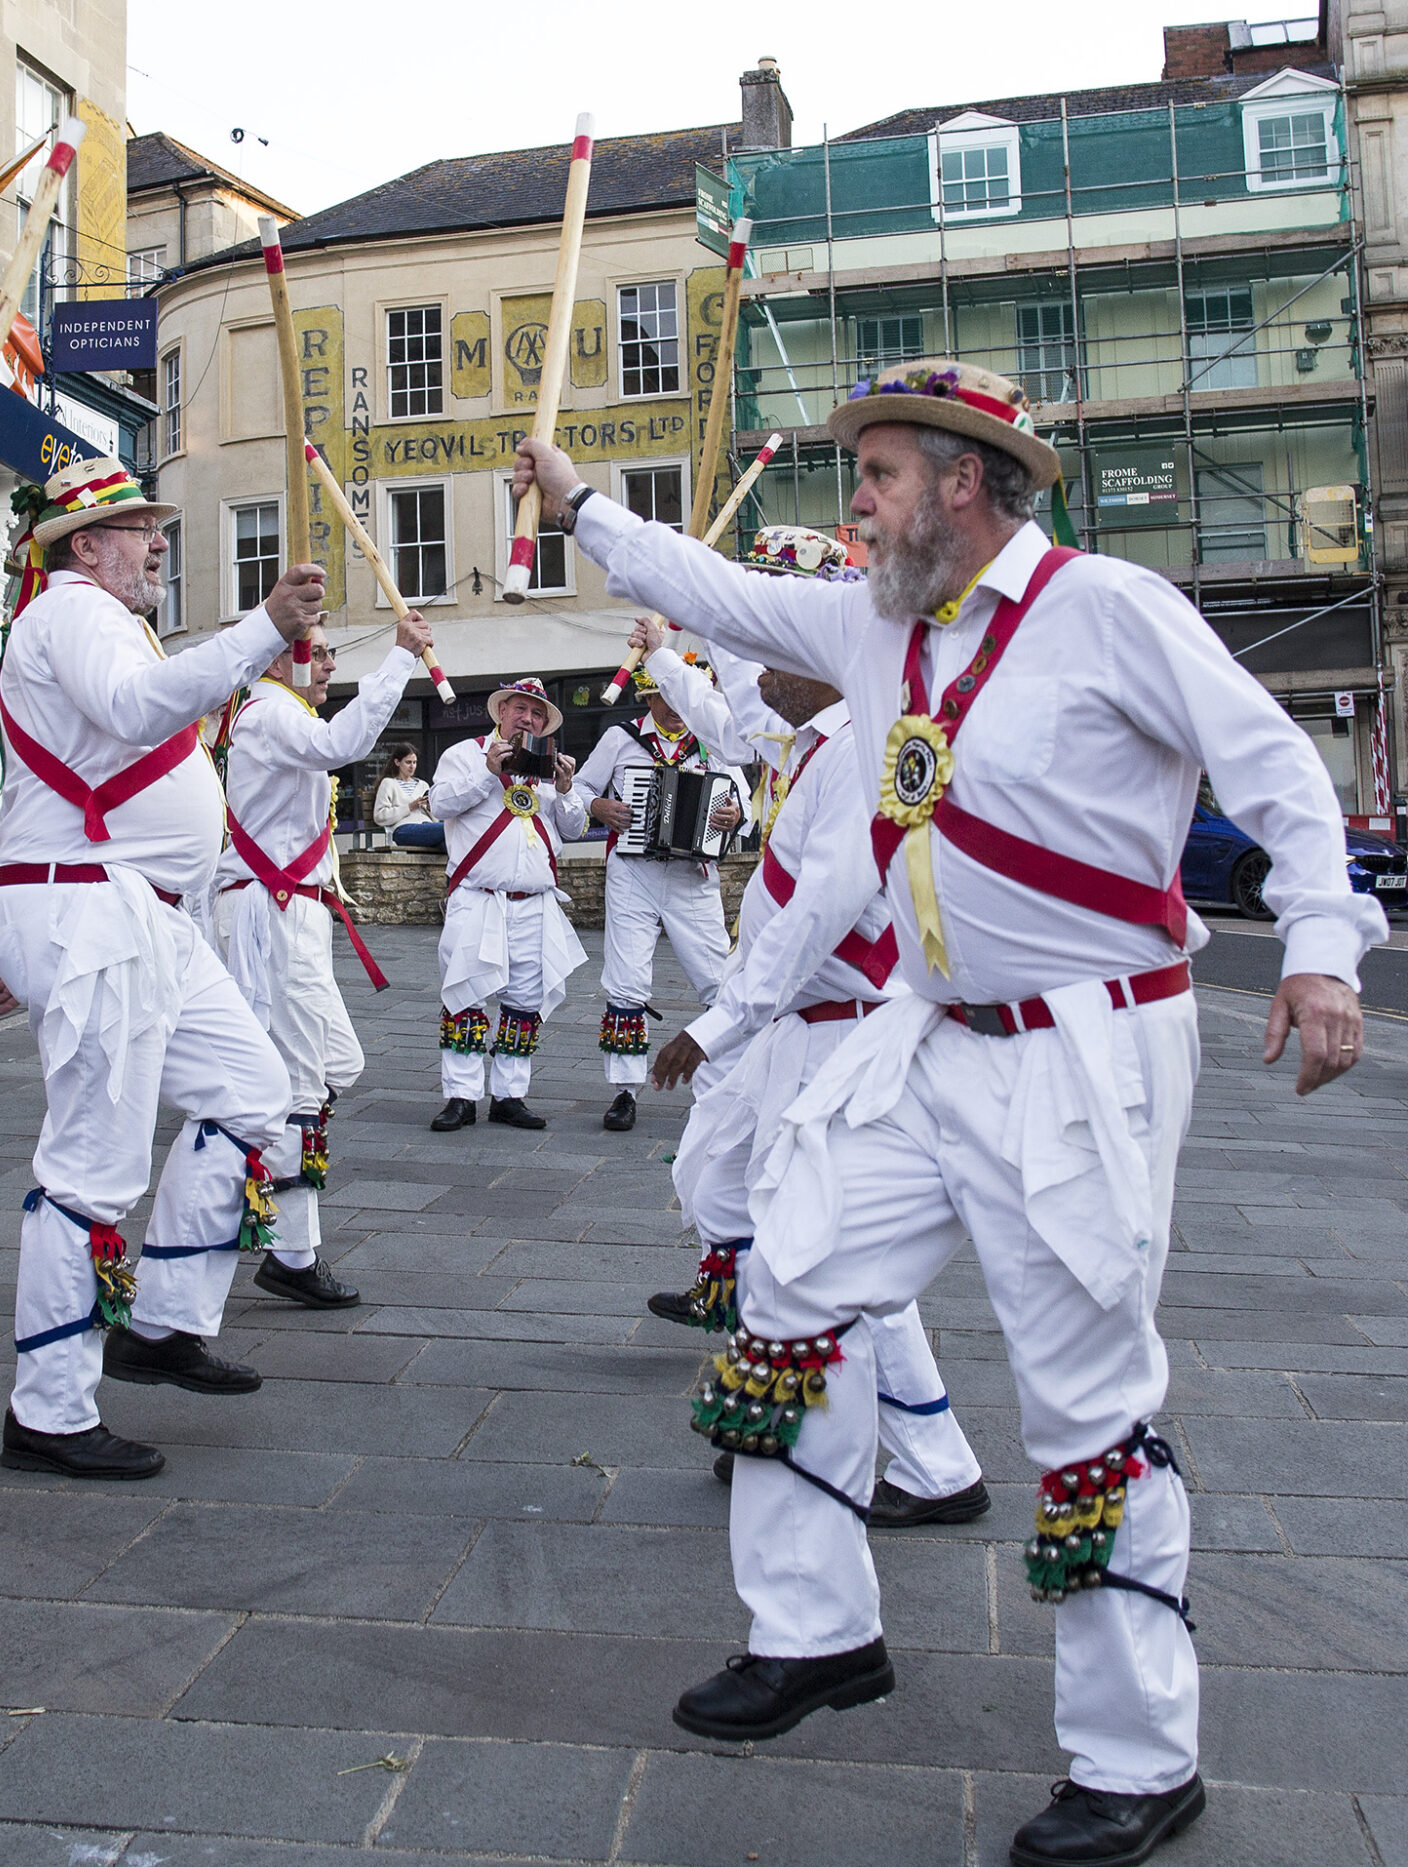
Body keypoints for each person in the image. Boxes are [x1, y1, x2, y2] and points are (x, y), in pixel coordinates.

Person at [517, 359, 1382, 1867]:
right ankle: (815, 1630)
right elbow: (713, 594)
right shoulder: (874, 625)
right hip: (923, 1041)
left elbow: (1277, 769)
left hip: (1084, 1049)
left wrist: (1318, 947)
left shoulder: (1109, 610)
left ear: (969, 481)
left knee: (1087, 1396)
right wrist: (579, 499)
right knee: (789, 1277)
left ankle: (1137, 1756)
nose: (858, 501)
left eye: (883, 475)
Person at [0, 455, 320, 1483]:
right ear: (86, 545)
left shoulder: (103, 625)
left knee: (254, 1096)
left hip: (125, 916)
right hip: (95, 911)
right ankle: (46, 1412)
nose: (158, 540)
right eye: (139, 526)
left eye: (156, 525)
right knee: (92, 1164)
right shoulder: (73, 612)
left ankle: (162, 1323)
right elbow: (134, 714)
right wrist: (262, 626)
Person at [635, 557, 986, 1530]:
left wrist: (709, 1028)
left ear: (829, 663)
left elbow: (817, 916)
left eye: (774, 657)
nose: (756, 674)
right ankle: (783, 1406)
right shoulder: (801, 737)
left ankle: (925, 1458)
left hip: (837, 1036)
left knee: (836, 1250)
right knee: (718, 1191)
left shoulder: (855, 754)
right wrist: (670, 636)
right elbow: (728, 701)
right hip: (786, 1030)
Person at [214, 608, 435, 1306]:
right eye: (323, 650)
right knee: (303, 1080)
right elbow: (344, 742)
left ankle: (247, 1164)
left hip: (295, 911)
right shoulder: (269, 713)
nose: (333, 663)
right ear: (280, 659)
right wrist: (400, 658)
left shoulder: (278, 712)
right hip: (272, 912)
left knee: (338, 1063)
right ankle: (293, 1255)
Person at [572, 655, 745, 1130]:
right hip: (633, 872)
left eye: (680, 695)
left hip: (693, 876)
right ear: (648, 696)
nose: (673, 707)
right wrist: (597, 805)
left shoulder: (714, 741)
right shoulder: (620, 738)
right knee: (626, 977)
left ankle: (729, 1081)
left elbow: (744, 801)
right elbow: (581, 787)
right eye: (663, 696)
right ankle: (625, 1092)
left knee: (720, 978)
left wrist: (733, 816)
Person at [428, 678, 590, 1132]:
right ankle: (461, 1096)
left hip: (535, 904)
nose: (529, 719)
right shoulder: (464, 754)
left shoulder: (547, 768)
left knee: (525, 1002)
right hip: (479, 898)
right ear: (501, 712)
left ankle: (509, 1096)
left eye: (538, 714)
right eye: (521, 709)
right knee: (467, 996)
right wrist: (486, 770)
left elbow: (574, 829)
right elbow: (439, 805)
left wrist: (567, 787)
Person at [374, 744, 444, 848]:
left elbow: (436, 819)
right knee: (449, 829)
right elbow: (379, 816)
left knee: (448, 844)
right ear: (397, 762)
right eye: (408, 762)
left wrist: (430, 808)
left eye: (414, 762)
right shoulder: (388, 783)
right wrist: (410, 807)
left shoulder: (423, 785)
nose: (412, 766)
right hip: (404, 829)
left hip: (428, 826)